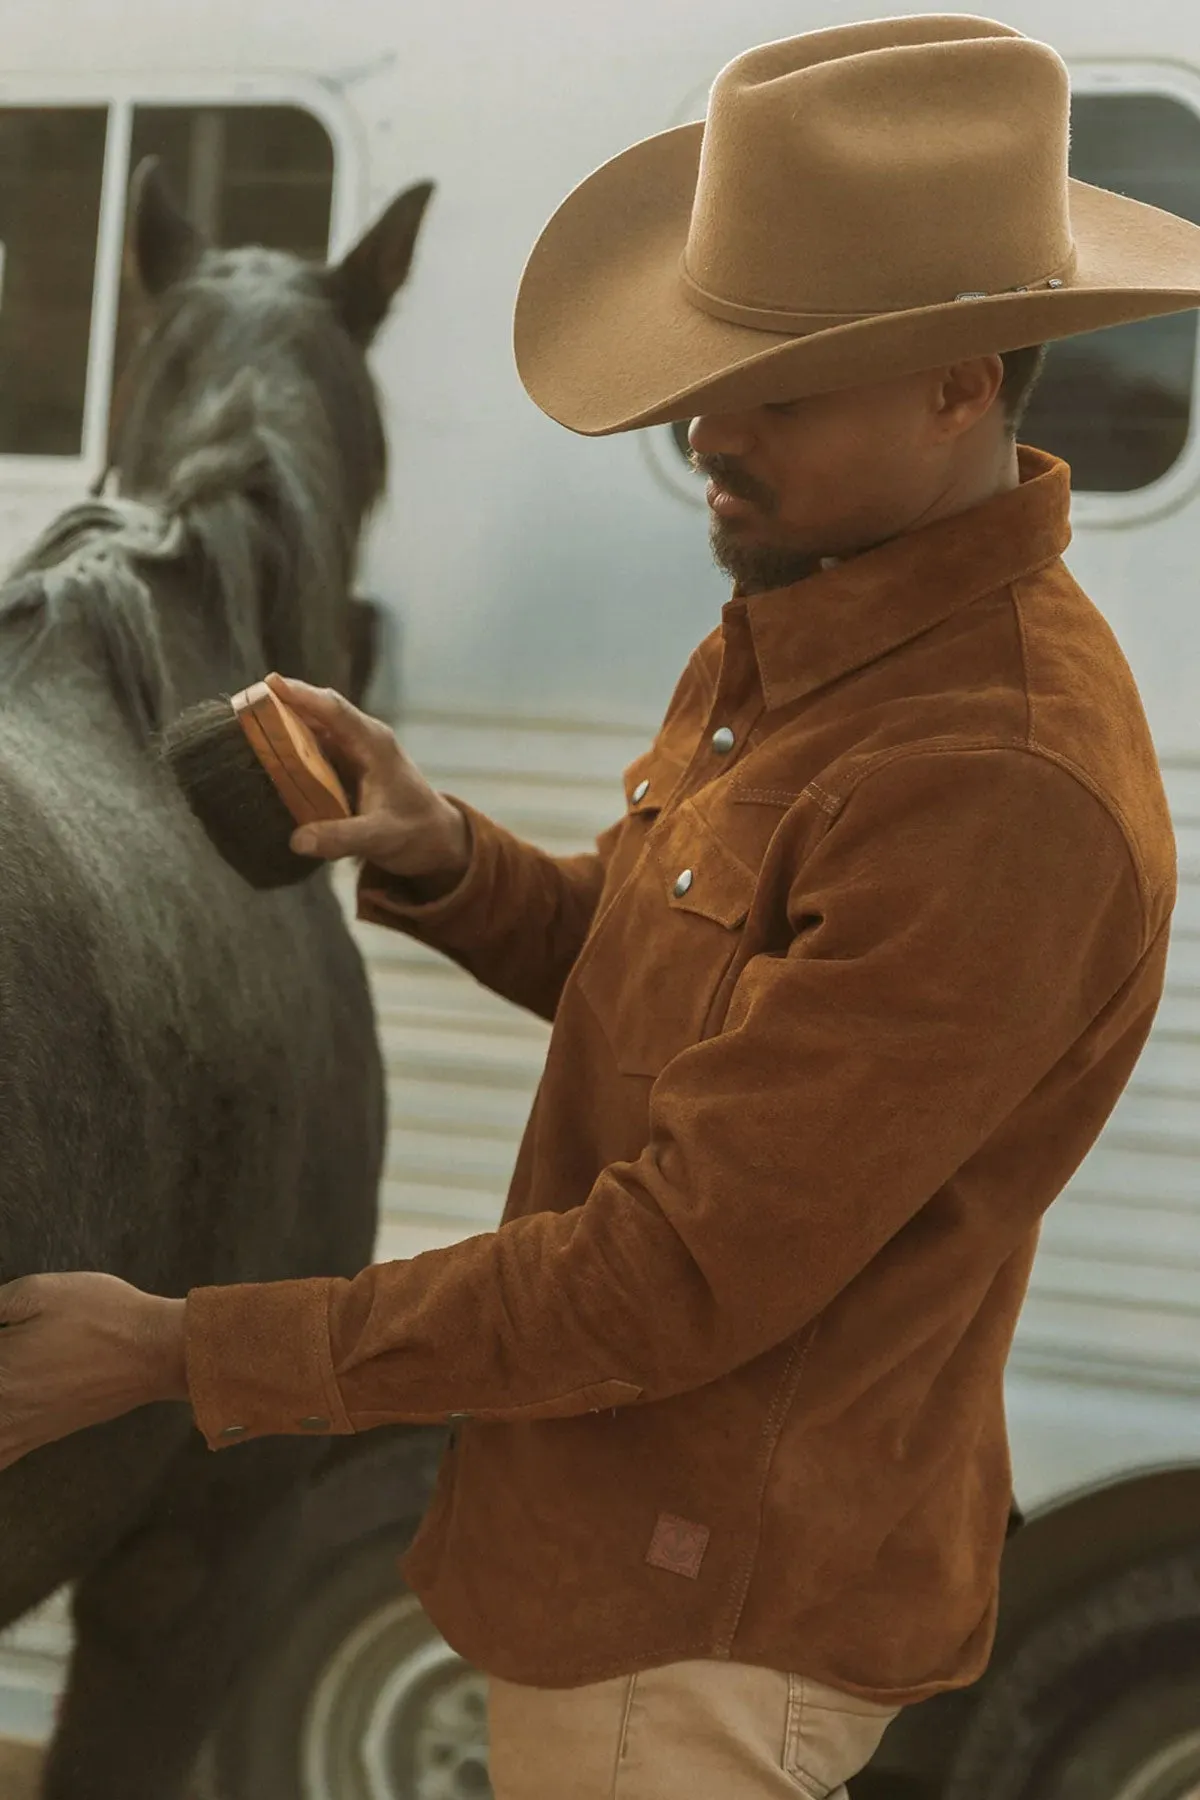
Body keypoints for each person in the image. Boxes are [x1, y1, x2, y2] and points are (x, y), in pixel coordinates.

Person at [2, 15, 1199, 1797]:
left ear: (962, 385)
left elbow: (666, 1280)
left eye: (773, 388)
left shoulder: (991, 781)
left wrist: (175, 1348)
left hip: (699, 1624)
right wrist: (433, 853)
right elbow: (686, 999)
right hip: (625, 1566)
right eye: (712, 374)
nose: (708, 431)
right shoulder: (826, 628)